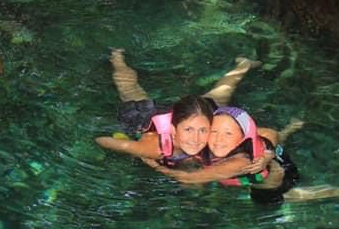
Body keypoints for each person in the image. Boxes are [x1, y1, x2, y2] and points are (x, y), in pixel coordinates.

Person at [146, 106, 339, 205]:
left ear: (242, 137)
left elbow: (188, 178)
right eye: (213, 131)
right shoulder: (240, 135)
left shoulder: (241, 160)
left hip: (276, 177)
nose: (217, 139)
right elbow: (271, 135)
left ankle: (338, 192)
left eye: (227, 133)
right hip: (270, 157)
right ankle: (290, 129)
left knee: (269, 201)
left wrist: (154, 165)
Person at [95, 50, 266, 170]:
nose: (196, 139)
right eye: (189, 131)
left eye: (203, 131)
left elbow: (266, 136)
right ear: (173, 130)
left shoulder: (213, 130)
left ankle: (243, 65)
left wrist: (265, 156)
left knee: (220, 95)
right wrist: (137, 151)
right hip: (147, 116)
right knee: (129, 89)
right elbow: (103, 140)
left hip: (195, 114)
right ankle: (117, 58)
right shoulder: (155, 148)